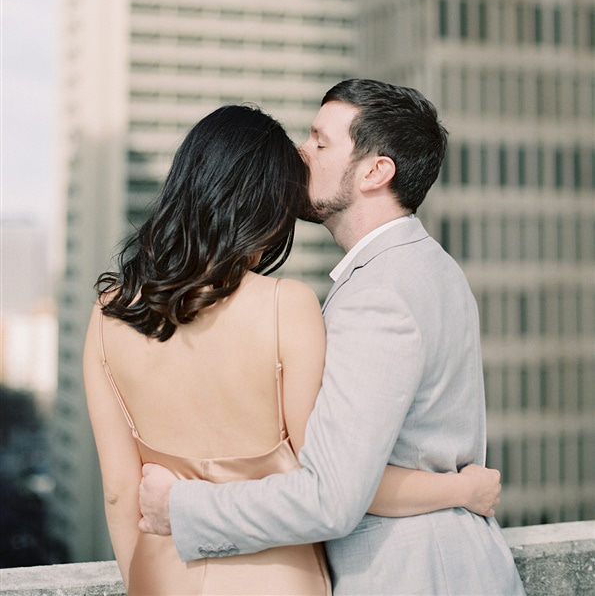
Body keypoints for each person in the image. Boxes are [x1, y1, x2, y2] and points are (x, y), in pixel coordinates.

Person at [85, 103, 501, 596]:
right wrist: (462, 488)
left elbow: (117, 492)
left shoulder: (109, 311)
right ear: (269, 203)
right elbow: (327, 481)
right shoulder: (291, 305)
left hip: (164, 571)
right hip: (281, 577)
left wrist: (144, 580)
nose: (305, 154)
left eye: (320, 142)